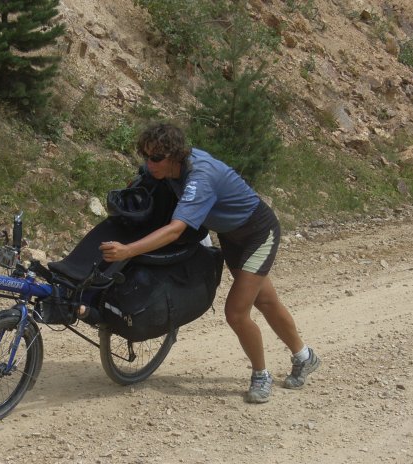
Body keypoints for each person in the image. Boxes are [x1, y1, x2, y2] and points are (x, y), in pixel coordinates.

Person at [99, 123, 320, 403]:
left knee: (236, 313)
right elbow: (147, 180)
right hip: (231, 235)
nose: (149, 163)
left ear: (175, 155)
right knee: (265, 301)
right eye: (145, 156)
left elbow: (175, 230)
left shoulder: (200, 177)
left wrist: (128, 250)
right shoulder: (169, 168)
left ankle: (260, 375)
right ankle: (304, 356)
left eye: (155, 158)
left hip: (258, 233)